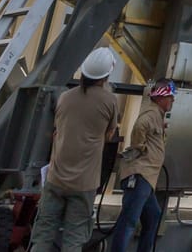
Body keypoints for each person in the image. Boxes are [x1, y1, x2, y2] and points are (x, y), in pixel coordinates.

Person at [33, 47, 122, 252]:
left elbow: (58, 129)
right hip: (84, 183)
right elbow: (109, 135)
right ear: (106, 75)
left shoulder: (65, 97)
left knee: (43, 233)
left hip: (55, 178)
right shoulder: (109, 101)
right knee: (74, 239)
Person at [112, 80, 174, 252]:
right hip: (140, 175)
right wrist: (142, 147)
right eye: (170, 97)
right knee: (129, 221)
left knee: (153, 216)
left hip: (147, 178)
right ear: (161, 97)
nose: (172, 101)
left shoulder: (157, 115)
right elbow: (140, 127)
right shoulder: (151, 114)